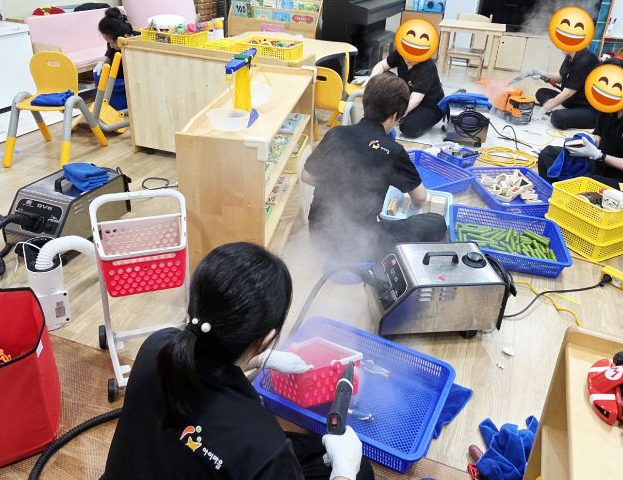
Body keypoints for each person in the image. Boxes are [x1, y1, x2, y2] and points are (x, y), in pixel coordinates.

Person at [102, 242, 373, 480]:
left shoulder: (157, 345)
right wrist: (344, 471)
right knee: (358, 470)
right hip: (243, 455)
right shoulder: (260, 442)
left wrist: (260, 358)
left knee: (311, 454)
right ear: (266, 338)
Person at [302, 73, 447, 261]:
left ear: (365, 103)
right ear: (394, 116)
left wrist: (339, 186)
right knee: (436, 223)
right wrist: (412, 208)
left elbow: (306, 176)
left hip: (318, 234)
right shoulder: (393, 151)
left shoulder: (335, 133)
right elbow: (420, 197)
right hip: (359, 245)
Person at [537, 59, 623, 189]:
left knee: (587, 182)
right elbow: (599, 136)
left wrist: (599, 155)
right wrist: (586, 142)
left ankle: (566, 194)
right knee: (548, 154)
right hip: (606, 165)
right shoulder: (607, 105)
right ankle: (553, 194)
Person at [369, 46, 444, 139]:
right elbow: (382, 65)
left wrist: (397, 116)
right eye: (406, 56)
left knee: (408, 127)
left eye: (413, 57)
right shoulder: (401, 52)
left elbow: (415, 100)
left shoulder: (427, 67)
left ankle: (423, 120)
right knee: (384, 77)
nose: (408, 59)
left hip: (429, 106)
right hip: (407, 95)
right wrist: (370, 81)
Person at [523, 45, 600, 129]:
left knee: (558, 118)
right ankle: (561, 109)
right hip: (572, 100)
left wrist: (544, 109)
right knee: (541, 93)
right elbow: (560, 77)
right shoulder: (570, 56)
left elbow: (567, 93)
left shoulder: (585, 60)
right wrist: (542, 74)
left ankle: (560, 110)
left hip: (587, 107)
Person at [94, 7, 139, 110]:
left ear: (124, 37)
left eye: (112, 42)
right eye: (108, 42)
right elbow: (109, 53)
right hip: (118, 81)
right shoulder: (113, 44)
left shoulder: (138, 43)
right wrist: (101, 63)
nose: (111, 45)